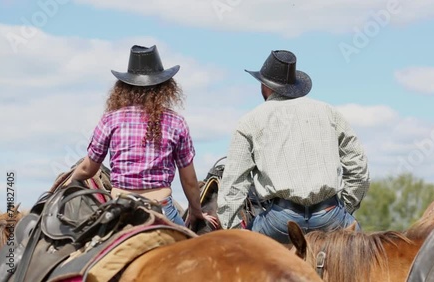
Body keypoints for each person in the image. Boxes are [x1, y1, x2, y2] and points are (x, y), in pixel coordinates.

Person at [216, 50, 370, 244]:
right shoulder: (329, 112)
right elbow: (359, 169)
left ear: (265, 85)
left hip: (279, 220)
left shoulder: (249, 121)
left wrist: (235, 233)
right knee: (365, 257)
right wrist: (343, 207)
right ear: (294, 85)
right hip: (329, 215)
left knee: (244, 257)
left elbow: (233, 185)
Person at [70, 45, 217, 229]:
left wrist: (70, 181)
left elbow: (87, 169)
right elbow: (189, 180)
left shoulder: (110, 119)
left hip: (120, 210)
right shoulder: (176, 122)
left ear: (124, 87)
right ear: (164, 87)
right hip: (162, 210)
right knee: (195, 251)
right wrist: (195, 211)